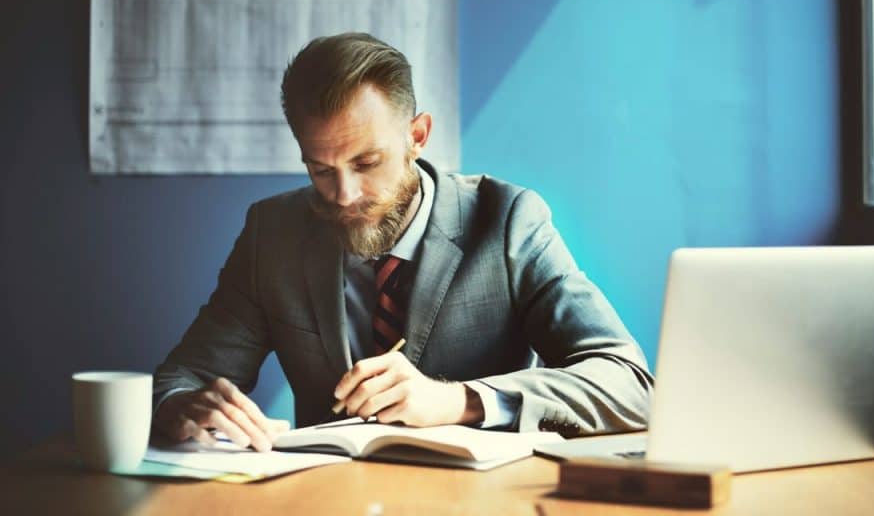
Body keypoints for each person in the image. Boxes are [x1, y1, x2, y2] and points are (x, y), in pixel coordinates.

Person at [152, 32, 654, 452]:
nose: (344, 195)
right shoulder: (272, 232)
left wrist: (459, 401)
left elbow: (629, 383)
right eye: (320, 169)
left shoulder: (508, 221)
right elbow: (182, 378)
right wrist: (181, 406)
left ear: (417, 136)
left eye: (367, 163)